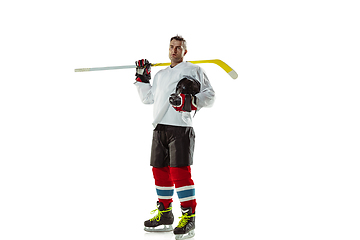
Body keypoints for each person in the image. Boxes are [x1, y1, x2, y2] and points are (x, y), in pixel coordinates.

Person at [134, 35, 215, 239]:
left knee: (180, 173)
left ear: (185, 51)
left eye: (179, 47)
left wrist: (190, 100)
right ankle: (165, 215)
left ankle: (189, 218)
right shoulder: (160, 75)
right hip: (159, 128)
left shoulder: (194, 70)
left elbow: (210, 95)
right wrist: (142, 78)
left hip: (180, 127)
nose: (174, 50)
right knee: (160, 171)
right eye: (171, 47)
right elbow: (148, 98)